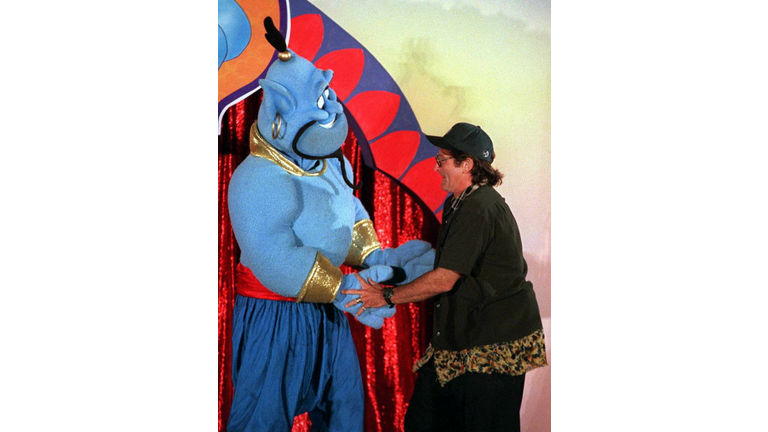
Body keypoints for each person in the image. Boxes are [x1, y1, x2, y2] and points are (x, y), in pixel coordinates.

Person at [343, 123, 548, 432]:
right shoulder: (459, 201)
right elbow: (448, 265)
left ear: (467, 164)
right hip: (457, 342)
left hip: (491, 347)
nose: (436, 167)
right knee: (423, 422)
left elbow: (444, 279)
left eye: (442, 160)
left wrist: (385, 297)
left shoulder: (479, 207)